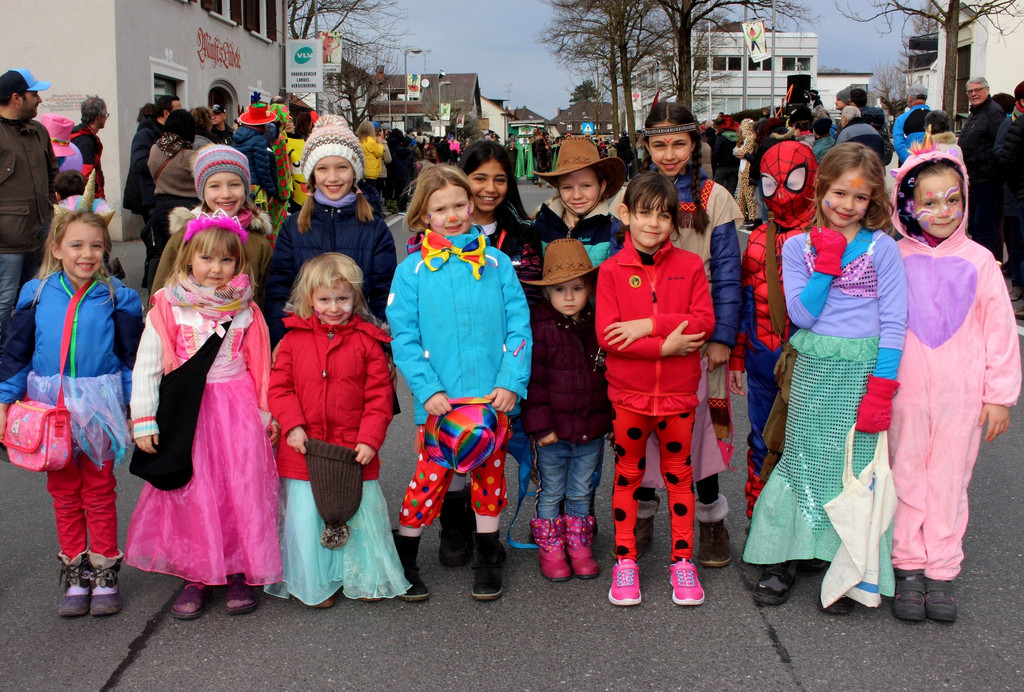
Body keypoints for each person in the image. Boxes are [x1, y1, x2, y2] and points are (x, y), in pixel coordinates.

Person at [743, 142, 908, 614]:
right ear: (821, 192)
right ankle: (783, 558)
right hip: (813, 368)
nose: (847, 206)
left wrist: (883, 387)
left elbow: (895, 322)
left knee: (849, 469)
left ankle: (844, 565)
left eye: (860, 198)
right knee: (800, 460)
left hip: (862, 373)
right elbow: (801, 314)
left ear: (873, 199)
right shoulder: (797, 247)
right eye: (838, 193)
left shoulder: (883, 251)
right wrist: (827, 262)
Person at [887, 136, 1021, 622]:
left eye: (953, 199)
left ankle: (941, 568)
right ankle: (906, 566)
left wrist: (999, 396)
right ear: (907, 204)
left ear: (965, 199)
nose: (942, 210)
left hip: (961, 396)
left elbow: (1001, 331)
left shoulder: (981, 261)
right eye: (928, 202)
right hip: (904, 395)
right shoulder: (894, 257)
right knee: (904, 473)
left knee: (948, 478)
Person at [126, 212, 282, 620]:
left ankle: (237, 568)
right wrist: (144, 417)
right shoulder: (169, 306)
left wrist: (266, 413)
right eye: (207, 259)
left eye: (226, 261)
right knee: (194, 491)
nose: (216, 269)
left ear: (239, 264)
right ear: (188, 259)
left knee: (238, 489)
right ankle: (197, 572)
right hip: (188, 413)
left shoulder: (246, 310)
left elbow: (260, 365)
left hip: (237, 407)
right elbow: (148, 363)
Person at [387, 165, 532, 602]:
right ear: (423, 217)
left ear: (472, 205)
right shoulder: (410, 273)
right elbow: (404, 339)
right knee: (428, 480)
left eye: (459, 205)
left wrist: (510, 381)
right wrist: (427, 390)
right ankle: (406, 559)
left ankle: (488, 556)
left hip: (491, 399)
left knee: (490, 478)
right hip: (443, 404)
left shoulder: (498, 264)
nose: (452, 215)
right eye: (440, 209)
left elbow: (519, 328)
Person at [0, 198, 143, 617]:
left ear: (106, 251)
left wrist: (137, 410)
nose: (87, 254)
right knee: (63, 492)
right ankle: (75, 568)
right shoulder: (37, 292)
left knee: (99, 489)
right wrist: (5, 399)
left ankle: (104, 568)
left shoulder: (119, 298)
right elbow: (17, 351)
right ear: (57, 249)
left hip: (99, 405)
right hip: (49, 408)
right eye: (77, 245)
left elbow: (131, 357)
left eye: (96, 246)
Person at [624, 102, 743, 569]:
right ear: (646, 146)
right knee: (648, 430)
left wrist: (722, 339)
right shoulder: (631, 195)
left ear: (694, 143)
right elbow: (620, 268)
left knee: (700, 438)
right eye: (659, 144)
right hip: (647, 342)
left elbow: (729, 277)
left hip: (699, 339)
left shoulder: (715, 197)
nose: (669, 154)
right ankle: (648, 512)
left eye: (678, 143)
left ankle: (711, 520)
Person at [418, 139, 542, 567]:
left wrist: (512, 374)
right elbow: (414, 321)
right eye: (479, 179)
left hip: (500, 361)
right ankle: (455, 526)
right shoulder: (426, 249)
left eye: (500, 179)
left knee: (492, 448)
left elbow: (522, 307)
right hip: (449, 372)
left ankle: (489, 531)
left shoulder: (519, 235)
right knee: (451, 452)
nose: (489, 188)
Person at [596, 171, 715, 606]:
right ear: (626, 214)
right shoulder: (611, 270)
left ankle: (682, 563)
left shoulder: (687, 267)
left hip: (679, 396)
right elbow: (608, 335)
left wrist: (648, 326)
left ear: (674, 222)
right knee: (628, 475)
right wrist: (667, 345)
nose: (653, 224)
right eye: (644, 213)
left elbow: (703, 322)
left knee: (678, 476)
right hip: (628, 396)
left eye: (663, 216)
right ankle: (625, 561)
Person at [267, 253, 410, 607]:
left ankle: (363, 576)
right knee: (306, 517)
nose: (334, 307)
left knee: (359, 515)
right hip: (304, 447)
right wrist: (293, 426)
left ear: (355, 299)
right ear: (309, 299)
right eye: (325, 299)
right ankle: (314, 583)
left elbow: (379, 398)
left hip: (352, 447)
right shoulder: (293, 340)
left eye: (343, 298)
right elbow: (280, 388)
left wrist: (370, 438)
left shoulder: (368, 342)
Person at [729, 142, 819, 517]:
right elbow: (745, 304)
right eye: (770, 183)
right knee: (763, 442)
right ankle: (762, 519)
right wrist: (736, 359)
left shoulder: (832, 237)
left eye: (792, 181)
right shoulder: (756, 242)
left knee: (813, 447)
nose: (780, 193)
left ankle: (807, 526)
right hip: (764, 361)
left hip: (816, 363)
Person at [521, 239, 610, 581]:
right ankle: (551, 546)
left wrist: (607, 422)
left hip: (590, 429)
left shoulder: (596, 326)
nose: (569, 297)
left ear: (589, 288)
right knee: (552, 490)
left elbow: (606, 380)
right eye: (560, 290)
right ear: (547, 294)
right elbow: (535, 384)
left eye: (576, 288)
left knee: (581, 491)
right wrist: (541, 427)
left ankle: (579, 544)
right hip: (552, 433)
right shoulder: (540, 328)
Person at [265, 115, 396, 345]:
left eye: (342, 167)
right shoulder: (293, 227)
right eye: (323, 168)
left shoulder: (375, 229)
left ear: (354, 171)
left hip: (360, 347)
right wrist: (280, 342)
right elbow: (279, 290)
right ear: (312, 174)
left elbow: (384, 295)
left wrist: (382, 348)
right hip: (302, 347)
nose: (333, 177)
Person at [151, 145, 274, 307]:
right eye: (215, 186)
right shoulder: (184, 238)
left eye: (234, 184)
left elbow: (267, 298)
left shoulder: (259, 244)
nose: (226, 194)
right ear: (202, 191)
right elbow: (160, 293)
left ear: (245, 188)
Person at [0, 69, 58, 358]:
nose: (39, 99)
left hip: (40, 234)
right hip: (6, 241)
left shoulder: (39, 131)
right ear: (16, 98)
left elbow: (52, 174)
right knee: (4, 301)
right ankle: (3, 356)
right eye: (34, 94)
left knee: (36, 298)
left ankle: (29, 353)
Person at [533, 136, 626, 266]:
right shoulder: (541, 224)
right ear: (558, 189)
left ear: (602, 186)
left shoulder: (612, 229)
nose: (577, 196)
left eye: (586, 186)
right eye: (567, 187)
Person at [143, 110, 199, 291]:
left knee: (161, 255)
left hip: (160, 208)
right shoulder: (189, 156)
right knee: (185, 256)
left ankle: (156, 292)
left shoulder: (155, 150)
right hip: (186, 210)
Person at [958, 77, 1006, 260]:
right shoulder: (975, 114)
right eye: (970, 92)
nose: (974, 94)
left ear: (987, 89)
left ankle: (989, 268)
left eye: (978, 90)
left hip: (988, 181)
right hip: (975, 181)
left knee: (985, 228)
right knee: (977, 228)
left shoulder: (994, 113)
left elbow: (999, 146)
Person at [126, 94, 181, 223]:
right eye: (178, 111)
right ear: (166, 113)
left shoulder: (169, 133)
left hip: (168, 195)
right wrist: (170, 165)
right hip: (152, 198)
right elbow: (139, 163)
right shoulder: (146, 133)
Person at [70, 97, 108, 198]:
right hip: (89, 199)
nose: (106, 118)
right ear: (98, 116)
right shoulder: (86, 141)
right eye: (105, 115)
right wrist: (98, 199)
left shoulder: (81, 137)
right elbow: (87, 177)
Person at [893, 84, 930, 165]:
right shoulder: (937, 118)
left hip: (910, 166)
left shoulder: (901, 119)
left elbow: (899, 145)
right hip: (933, 167)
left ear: (910, 98)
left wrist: (911, 163)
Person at [357, 120, 385, 193]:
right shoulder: (371, 140)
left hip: (361, 169)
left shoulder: (359, 140)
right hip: (371, 170)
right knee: (371, 192)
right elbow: (379, 153)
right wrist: (380, 143)